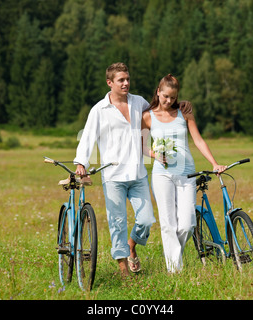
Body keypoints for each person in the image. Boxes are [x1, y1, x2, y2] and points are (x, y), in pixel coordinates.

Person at [74, 63, 192, 277]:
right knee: (117, 222)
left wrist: (180, 106)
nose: (126, 83)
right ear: (110, 83)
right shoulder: (99, 110)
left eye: (127, 79)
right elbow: (87, 136)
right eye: (121, 80)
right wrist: (81, 163)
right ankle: (123, 269)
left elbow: (159, 112)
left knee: (146, 220)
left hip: (138, 174)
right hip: (113, 176)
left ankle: (131, 246)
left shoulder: (140, 103)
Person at [141, 74, 227, 273]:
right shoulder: (147, 116)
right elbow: (141, 146)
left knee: (187, 225)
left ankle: (174, 258)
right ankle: (175, 272)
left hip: (187, 173)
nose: (168, 101)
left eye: (172, 97)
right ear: (158, 92)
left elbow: (198, 140)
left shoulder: (184, 112)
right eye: (165, 96)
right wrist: (155, 155)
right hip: (162, 175)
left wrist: (214, 163)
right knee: (168, 224)